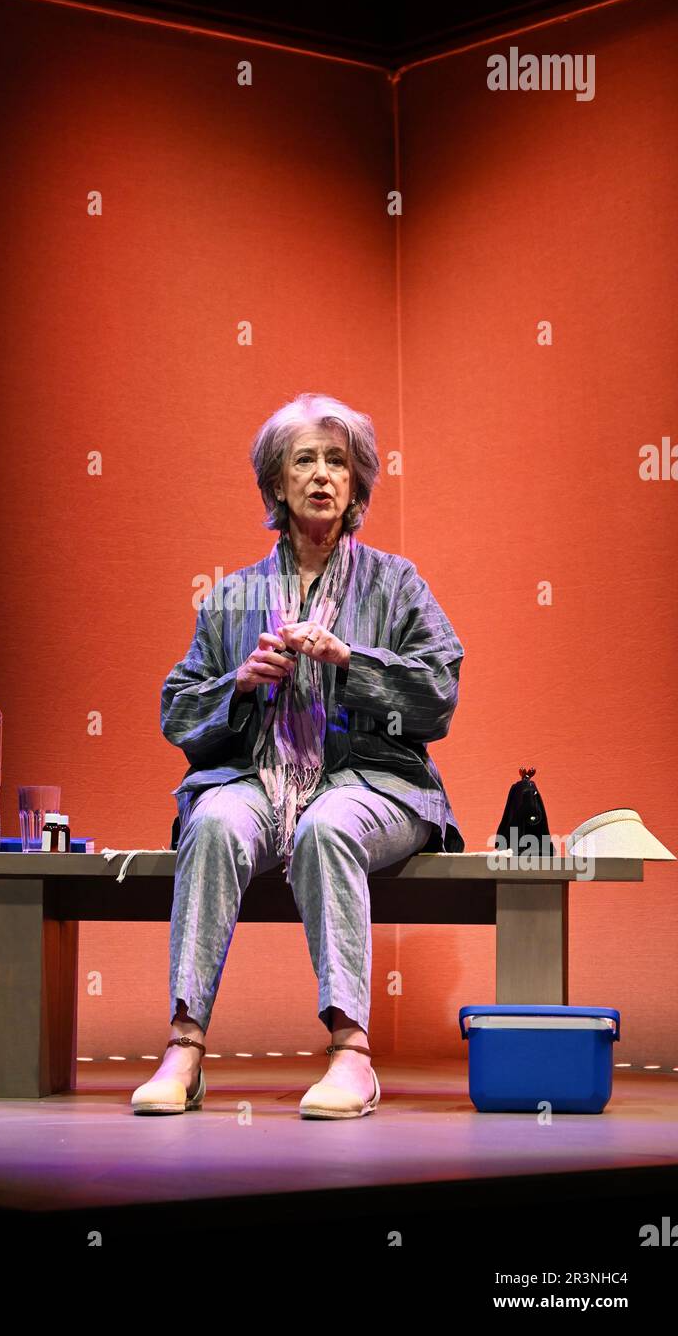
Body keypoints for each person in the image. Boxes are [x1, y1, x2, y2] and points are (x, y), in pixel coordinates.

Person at [131, 392, 465, 1119]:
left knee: (329, 825)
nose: (321, 475)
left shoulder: (397, 583)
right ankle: (184, 1048)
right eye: (303, 461)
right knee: (214, 821)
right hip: (256, 776)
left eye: (337, 461)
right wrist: (239, 684)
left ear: (357, 484)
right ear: (275, 484)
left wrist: (352, 663)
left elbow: (438, 695)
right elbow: (176, 712)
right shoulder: (233, 596)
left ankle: (351, 1053)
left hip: (376, 781)